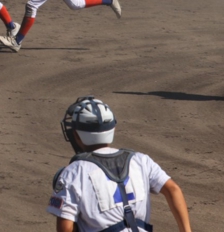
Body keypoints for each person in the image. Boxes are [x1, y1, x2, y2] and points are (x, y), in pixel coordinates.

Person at [48, 96, 193, 232]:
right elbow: (173, 189)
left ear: (76, 135)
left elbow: (65, 228)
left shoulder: (73, 172)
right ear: (113, 129)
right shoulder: (141, 160)